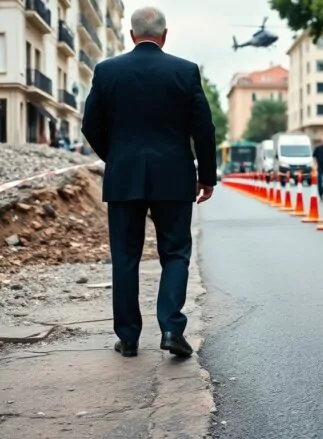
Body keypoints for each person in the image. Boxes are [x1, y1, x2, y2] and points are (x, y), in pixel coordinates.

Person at [81, 6, 216, 359]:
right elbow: (204, 129)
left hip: (124, 177)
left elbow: (89, 125)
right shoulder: (185, 71)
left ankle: (128, 338)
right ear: (164, 35)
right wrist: (207, 176)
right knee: (175, 253)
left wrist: (116, 157)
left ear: (131, 34)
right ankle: (171, 328)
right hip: (174, 176)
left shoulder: (107, 71)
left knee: (125, 257)